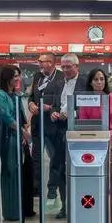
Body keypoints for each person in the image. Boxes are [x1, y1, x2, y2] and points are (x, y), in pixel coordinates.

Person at [78, 68, 112, 223]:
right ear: (90, 82)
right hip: (94, 141)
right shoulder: (86, 100)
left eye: (102, 79)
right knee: (97, 181)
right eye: (96, 79)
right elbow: (83, 124)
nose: (99, 82)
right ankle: (96, 215)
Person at [48, 53, 88, 220]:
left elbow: (89, 105)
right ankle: (65, 205)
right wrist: (53, 113)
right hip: (59, 131)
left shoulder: (85, 82)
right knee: (60, 169)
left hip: (79, 131)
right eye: (62, 66)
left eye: (68, 66)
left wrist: (72, 114)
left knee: (80, 168)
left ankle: (84, 204)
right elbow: (53, 105)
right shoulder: (57, 83)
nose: (65, 70)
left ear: (76, 66)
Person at [0, 65, 33, 221]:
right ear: (7, 77)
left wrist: (24, 128)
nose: (18, 78)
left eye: (19, 75)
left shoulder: (14, 95)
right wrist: (23, 132)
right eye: (15, 75)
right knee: (10, 172)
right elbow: (6, 118)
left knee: (19, 173)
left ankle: (20, 208)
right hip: (8, 139)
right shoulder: (1, 96)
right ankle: (11, 211)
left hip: (18, 138)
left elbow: (21, 116)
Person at [27, 53, 65, 203]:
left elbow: (63, 101)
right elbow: (31, 96)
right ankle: (36, 188)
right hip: (37, 123)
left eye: (42, 61)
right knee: (35, 157)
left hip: (53, 124)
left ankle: (52, 188)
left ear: (51, 63)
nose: (39, 64)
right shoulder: (37, 77)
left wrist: (50, 108)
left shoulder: (61, 77)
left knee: (55, 157)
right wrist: (31, 104)